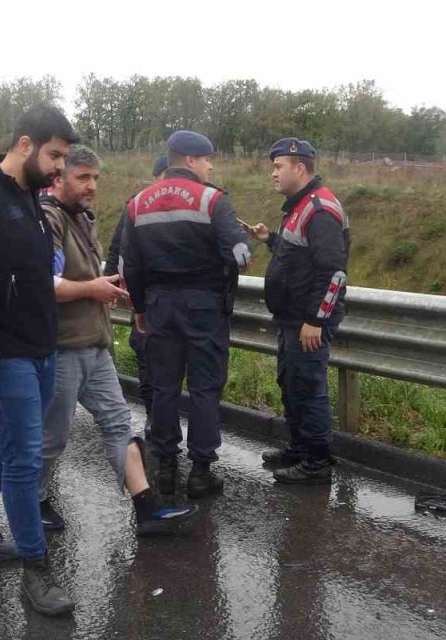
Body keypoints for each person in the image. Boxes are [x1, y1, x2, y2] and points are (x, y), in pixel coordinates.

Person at [0, 104, 79, 617]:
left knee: (10, 440)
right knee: (25, 455)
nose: (59, 169)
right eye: (54, 156)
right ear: (25, 144)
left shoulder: (28, 196)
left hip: (39, 346)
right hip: (3, 355)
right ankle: (35, 568)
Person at [39, 145, 198, 536]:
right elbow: (44, 283)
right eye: (83, 178)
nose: (92, 186)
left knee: (118, 423)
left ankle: (146, 509)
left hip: (95, 344)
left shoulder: (83, 218)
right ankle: (34, 501)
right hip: (62, 347)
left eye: (95, 177)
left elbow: (86, 279)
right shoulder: (47, 219)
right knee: (51, 437)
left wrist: (110, 290)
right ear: (59, 178)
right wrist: (91, 288)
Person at [121, 130, 251, 499]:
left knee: (163, 387)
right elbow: (238, 254)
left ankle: (164, 467)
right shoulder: (213, 200)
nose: (211, 165)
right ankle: (201, 470)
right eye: (208, 159)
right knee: (204, 388)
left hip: (159, 307)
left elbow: (129, 265)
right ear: (192, 160)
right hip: (204, 307)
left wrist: (142, 309)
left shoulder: (137, 203)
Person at [248, 138, 349, 484]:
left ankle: (317, 460)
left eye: (278, 166)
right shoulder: (300, 206)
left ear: (300, 168)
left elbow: (333, 272)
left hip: (308, 320)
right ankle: (298, 447)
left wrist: (315, 321)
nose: (273, 173)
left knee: (308, 385)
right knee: (290, 383)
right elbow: (298, 254)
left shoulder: (320, 210)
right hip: (292, 318)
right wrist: (270, 240)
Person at [104, 154, 167, 437]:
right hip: (143, 299)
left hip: (174, 302)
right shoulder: (137, 205)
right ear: (156, 177)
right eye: (166, 175)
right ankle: (155, 418)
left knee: (170, 365)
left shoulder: (193, 203)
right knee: (145, 357)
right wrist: (111, 284)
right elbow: (117, 248)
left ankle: (165, 421)